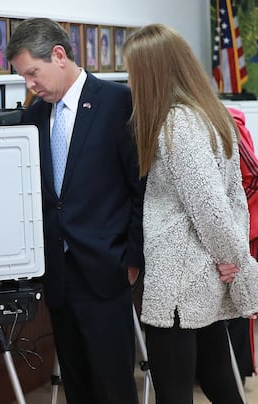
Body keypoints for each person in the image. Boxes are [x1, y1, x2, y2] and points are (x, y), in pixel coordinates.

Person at [5, 18, 144, 404]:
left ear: (59, 55)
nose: (30, 85)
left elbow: (141, 187)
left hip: (107, 269)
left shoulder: (118, 102)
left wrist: (132, 259)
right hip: (60, 278)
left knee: (114, 387)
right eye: (24, 77)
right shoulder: (32, 117)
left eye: (33, 73)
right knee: (76, 385)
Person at [122, 23, 258, 404]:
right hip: (202, 278)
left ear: (153, 73)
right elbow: (231, 199)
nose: (131, 83)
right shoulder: (209, 114)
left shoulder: (178, 124)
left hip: (180, 283)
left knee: (175, 392)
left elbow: (211, 206)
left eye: (134, 73)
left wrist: (234, 260)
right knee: (220, 384)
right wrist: (231, 257)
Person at [227, 106, 258, 385]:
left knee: (240, 302)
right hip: (229, 226)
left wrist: (235, 215)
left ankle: (241, 368)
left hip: (242, 228)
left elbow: (254, 177)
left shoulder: (229, 126)